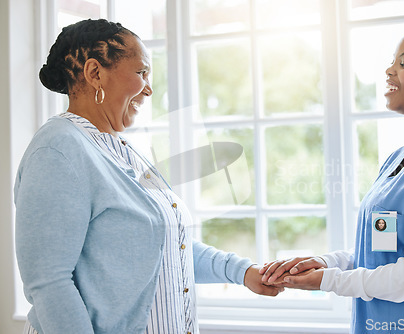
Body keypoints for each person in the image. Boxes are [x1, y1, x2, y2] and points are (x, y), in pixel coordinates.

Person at [15, 19, 281, 334]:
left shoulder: (121, 150)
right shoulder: (57, 150)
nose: (149, 88)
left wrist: (244, 271)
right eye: (141, 73)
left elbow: (165, 248)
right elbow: (48, 282)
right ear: (95, 73)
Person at [260, 25, 404, 333]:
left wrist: (328, 281)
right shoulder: (400, 157)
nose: (390, 70)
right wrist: (327, 263)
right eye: (393, 61)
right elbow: (383, 251)